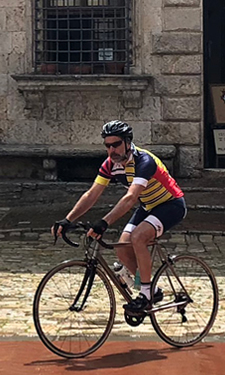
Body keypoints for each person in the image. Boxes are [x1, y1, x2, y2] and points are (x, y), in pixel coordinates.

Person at [51, 120, 187, 315]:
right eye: (108, 146)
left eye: (116, 144)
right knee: (123, 248)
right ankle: (153, 290)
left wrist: (104, 222)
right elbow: (91, 194)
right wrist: (68, 219)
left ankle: (146, 295)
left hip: (170, 205)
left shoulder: (144, 161)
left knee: (138, 237)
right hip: (148, 206)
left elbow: (130, 197)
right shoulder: (110, 165)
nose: (112, 150)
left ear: (128, 142)